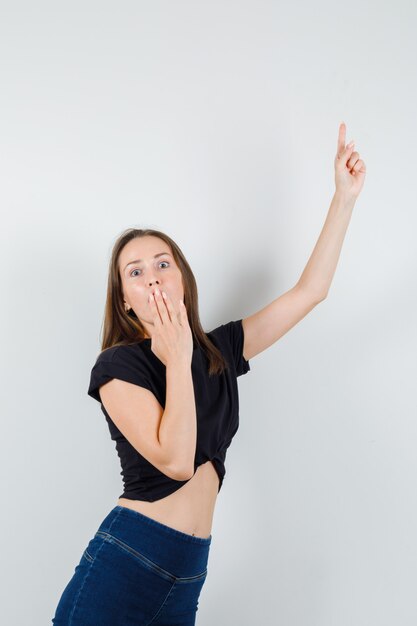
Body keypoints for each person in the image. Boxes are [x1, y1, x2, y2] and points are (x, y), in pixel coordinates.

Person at [52, 122, 366, 625]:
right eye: (135, 272)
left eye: (163, 263)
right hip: (127, 562)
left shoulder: (219, 350)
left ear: (182, 277)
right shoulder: (117, 367)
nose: (152, 275)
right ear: (126, 303)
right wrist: (175, 357)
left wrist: (344, 198)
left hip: (188, 573)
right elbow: (176, 463)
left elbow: (311, 292)